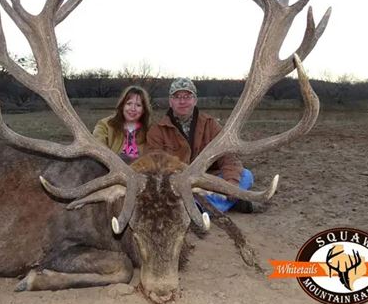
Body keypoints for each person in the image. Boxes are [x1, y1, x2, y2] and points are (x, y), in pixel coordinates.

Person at [147, 77, 254, 213]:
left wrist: (231, 184)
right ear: (170, 102)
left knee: (246, 175)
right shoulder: (157, 131)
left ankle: (197, 207)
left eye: (187, 96)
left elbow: (228, 157)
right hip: (179, 184)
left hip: (207, 181)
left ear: (195, 100)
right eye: (177, 97)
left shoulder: (210, 124)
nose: (182, 101)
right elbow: (155, 165)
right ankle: (226, 203)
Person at [93, 85, 152, 162]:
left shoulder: (150, 130)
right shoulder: (104, 125)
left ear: (144, 110)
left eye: (138, 105)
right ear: (122, 106)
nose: (133, 109)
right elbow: (97, 148)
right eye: (129, 104)